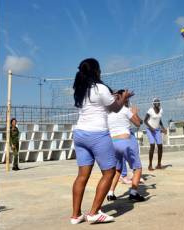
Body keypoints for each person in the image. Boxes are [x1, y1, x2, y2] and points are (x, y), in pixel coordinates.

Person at [70, 58, 132, 224]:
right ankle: (94, 212)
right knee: (109, 172)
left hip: (80, 134)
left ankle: (76, 216)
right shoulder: (100, 88)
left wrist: (113, 97)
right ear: (96, 71)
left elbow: (98, 104)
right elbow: (116, 108)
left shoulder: (80, 89)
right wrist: (123, 97)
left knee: (82, 176)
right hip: (97, 134)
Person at [107, 89, 145, 202]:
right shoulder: (125, 110)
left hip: (112, 143)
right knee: (137, 168)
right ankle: (133, 193)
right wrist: (134, 112)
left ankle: (110, 193)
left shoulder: (108, 111)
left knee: (117, 169)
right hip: (125, 141)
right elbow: (138, 124)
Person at [144, 98, 167, 171]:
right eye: (155, 102)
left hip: (157, 130)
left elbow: (159, 120)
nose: (157, 103)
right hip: (150, 130)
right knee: (152, 145)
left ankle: (159, 164)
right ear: (153, 103)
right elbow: (145, 121)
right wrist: (151, 128)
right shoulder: (150, 110)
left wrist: (163, 128)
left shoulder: (161, 110)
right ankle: (150, 165)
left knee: (160, 146)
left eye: (158, 102)